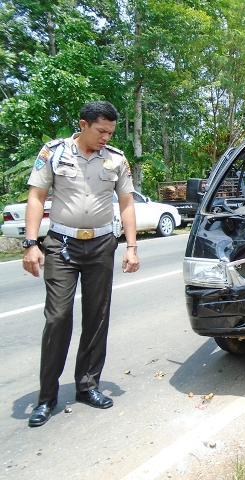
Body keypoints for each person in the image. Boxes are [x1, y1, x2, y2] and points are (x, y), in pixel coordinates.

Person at [23, 101, 139, 428]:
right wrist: (31, 243)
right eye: (101, 130)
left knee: (96, 315)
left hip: (102, 243)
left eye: (110, 132)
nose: (106, 136)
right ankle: (46, 397)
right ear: (83, 124)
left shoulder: (116, 159)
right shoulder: (55, 153)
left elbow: (126, 203)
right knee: (58, 316)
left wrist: (131, 247)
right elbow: (36, 196)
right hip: (61, 243)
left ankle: (87, 385)